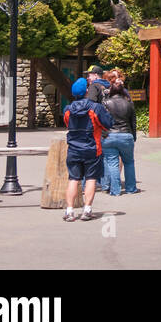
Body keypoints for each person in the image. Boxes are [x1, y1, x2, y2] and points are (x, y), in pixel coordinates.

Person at [63, 77, 113, 222]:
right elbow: (107, 124)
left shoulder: (68, 110)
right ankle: (87, 209)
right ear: (86, 91)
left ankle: (70, 210)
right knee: (91, 179)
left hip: (73, 149)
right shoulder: (95, 108)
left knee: (73, 179)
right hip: (92, 148)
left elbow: (68, 125)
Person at [101, 81, 139, 195]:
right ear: (123, 91)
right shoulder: (129, 103)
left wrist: (103, 134)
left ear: (111, 90)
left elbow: (102, 121)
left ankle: (115, 190)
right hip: (126, 135)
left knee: (112, 163)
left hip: (109, 135)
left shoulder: (106, 103)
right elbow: (133, 122)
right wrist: (133, 136)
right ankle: (131, 188)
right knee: (129, 162)